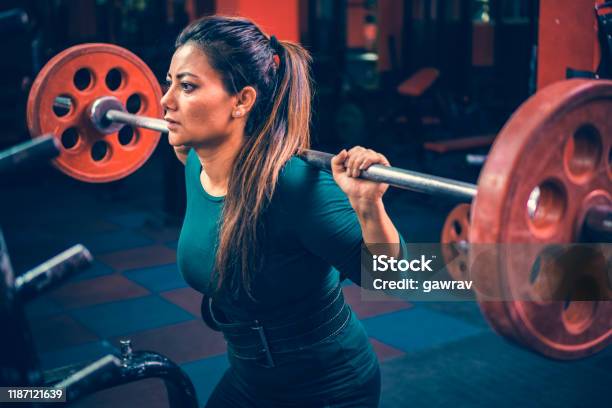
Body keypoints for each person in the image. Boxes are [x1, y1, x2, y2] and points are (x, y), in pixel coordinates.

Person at [161, 15, 403, 408]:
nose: (166, 100)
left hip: (329, 389)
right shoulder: (196, 163)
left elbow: (398, 279)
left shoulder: (296, 189)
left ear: (242, 100)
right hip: (249, 378)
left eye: (187, 86)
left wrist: (368, 205)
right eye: (168, 82)